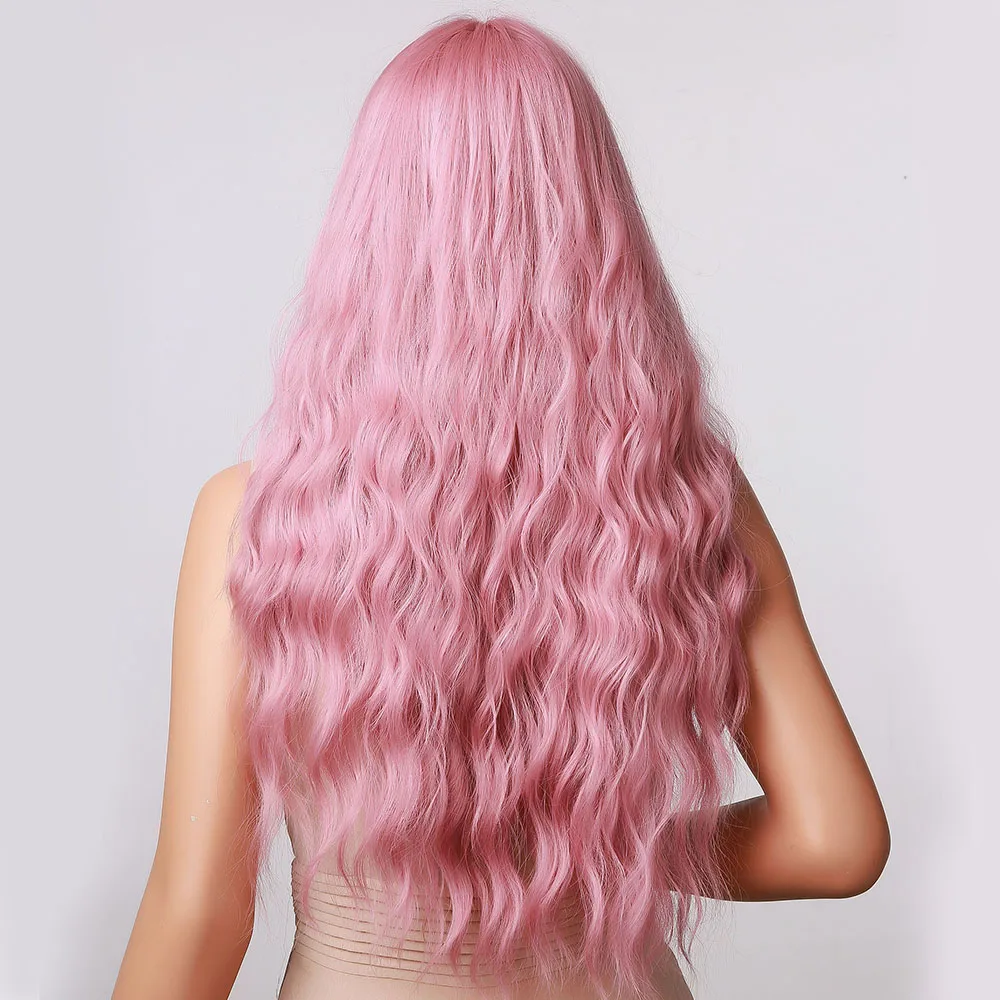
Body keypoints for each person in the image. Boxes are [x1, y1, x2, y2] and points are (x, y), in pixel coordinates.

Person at [111, 14, 890, 1000]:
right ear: (596, 222)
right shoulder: (687, 499)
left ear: (373, 224)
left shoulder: (256, 519)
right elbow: (833, 840)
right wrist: (611, 856)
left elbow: (198, 913)